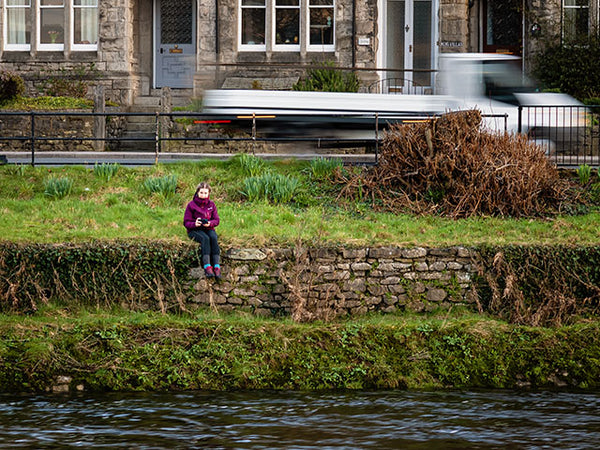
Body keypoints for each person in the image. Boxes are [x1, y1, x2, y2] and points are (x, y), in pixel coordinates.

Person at [183, 182, 222, 279]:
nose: (203, 195)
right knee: (205, 239)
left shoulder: (212, 205)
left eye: (205, 193)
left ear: (209, 194)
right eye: (201, 193)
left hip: (208, 228)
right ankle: (207, 266)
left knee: (213, 237)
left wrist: (210, 223)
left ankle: (217, 266)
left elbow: (216, 220)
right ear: (197, 193)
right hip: (194, 230)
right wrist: (194, 224)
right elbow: (186, 222)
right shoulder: (191, 205)